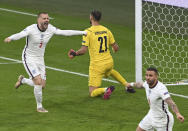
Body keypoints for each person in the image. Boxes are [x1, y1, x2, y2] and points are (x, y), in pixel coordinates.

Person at [4, 12, 87, 113]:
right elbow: (21, 34)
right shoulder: (31, 29)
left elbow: (64, 32)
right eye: (44, 18)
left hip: (40, 59)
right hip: (29, 57)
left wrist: (82, 32)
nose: (47, 20)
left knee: (41, 85)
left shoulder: (51, 28)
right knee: (38, 81)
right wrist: (11, 38)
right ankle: (39, 107)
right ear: (38, 20)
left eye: (47, 18)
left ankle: (23, 80)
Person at [68, 10, 135, 100]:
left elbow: (83, 50)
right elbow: (116, 47)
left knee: (92, 93)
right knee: (110, 71)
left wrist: (75, 53)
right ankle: (127, 85)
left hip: (97, 65)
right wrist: (113, 50)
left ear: (91, 17)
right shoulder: (106, 30)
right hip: (109, 62)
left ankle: (106, 89)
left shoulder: (88, 32)